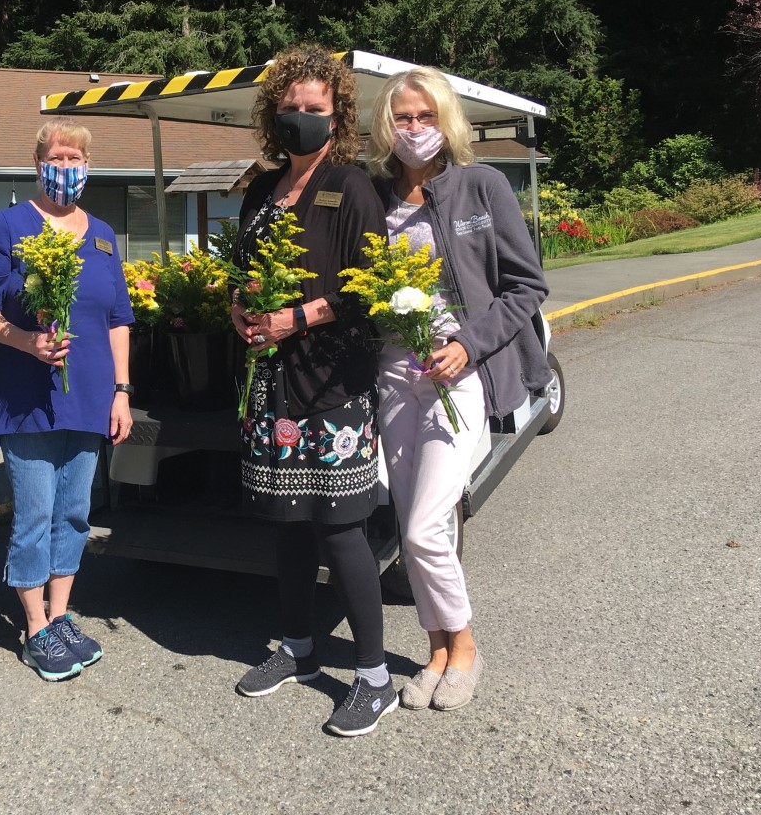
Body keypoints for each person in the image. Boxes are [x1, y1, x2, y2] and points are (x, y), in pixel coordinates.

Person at [366, 66, 549, 711]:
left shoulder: (482, 185)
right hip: (393, 377)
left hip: (458, 375)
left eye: (424, 116)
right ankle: (436, 649)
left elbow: (526, 286)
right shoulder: (375, 196)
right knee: (417, 523)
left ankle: (465, 648)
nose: (414, 129)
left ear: (447, 122)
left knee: (422, 527)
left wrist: (468, 344)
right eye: (402, 119)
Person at [230, 45, 395, 737]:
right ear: (275, 114)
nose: (301, 118)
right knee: (288, 521)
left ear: (337, 116)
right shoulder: (261, 188)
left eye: (314, 110)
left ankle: (374, 676)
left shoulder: (353, 187)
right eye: (291, 108)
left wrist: (296, 317)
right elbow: (240, 271)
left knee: (341, 526)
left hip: (333, 381)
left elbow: (371, 290)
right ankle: (297, 648)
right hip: (271, 383)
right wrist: (240, 310)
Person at [0, 120, 134, 682]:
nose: (67, 165)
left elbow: (118, 319)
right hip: (27, 397)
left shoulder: (105, 235)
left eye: (76, 156)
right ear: (38, 161)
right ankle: (35, 627)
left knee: (75, 512)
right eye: (57, 155)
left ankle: (61, 615)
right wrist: (27, 341)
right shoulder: (9, 225)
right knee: (35, 514)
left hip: (89, 394)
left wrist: (122, 391)